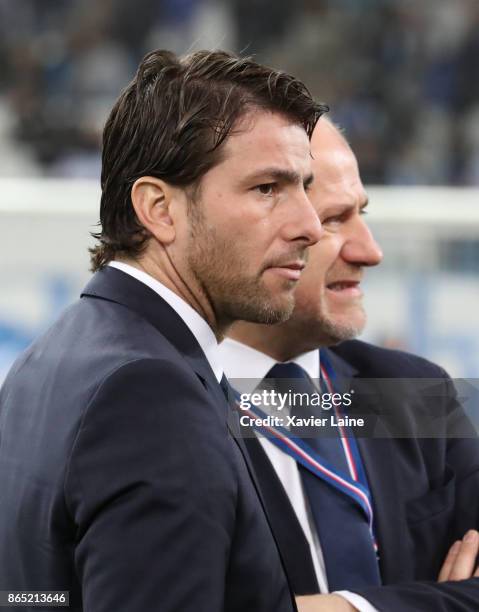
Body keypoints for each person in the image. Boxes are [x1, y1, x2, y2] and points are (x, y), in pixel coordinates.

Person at [0, 49, 328, 611]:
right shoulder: (149, 395)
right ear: (158, 208)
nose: (309, 226)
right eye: (268, 188)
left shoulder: (53, 357)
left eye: (306, 186)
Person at [219, 118, 479, 611]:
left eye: (362, 212)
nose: (370, 251)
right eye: (334, 220)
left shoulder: (412, 391)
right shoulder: (166, 403)